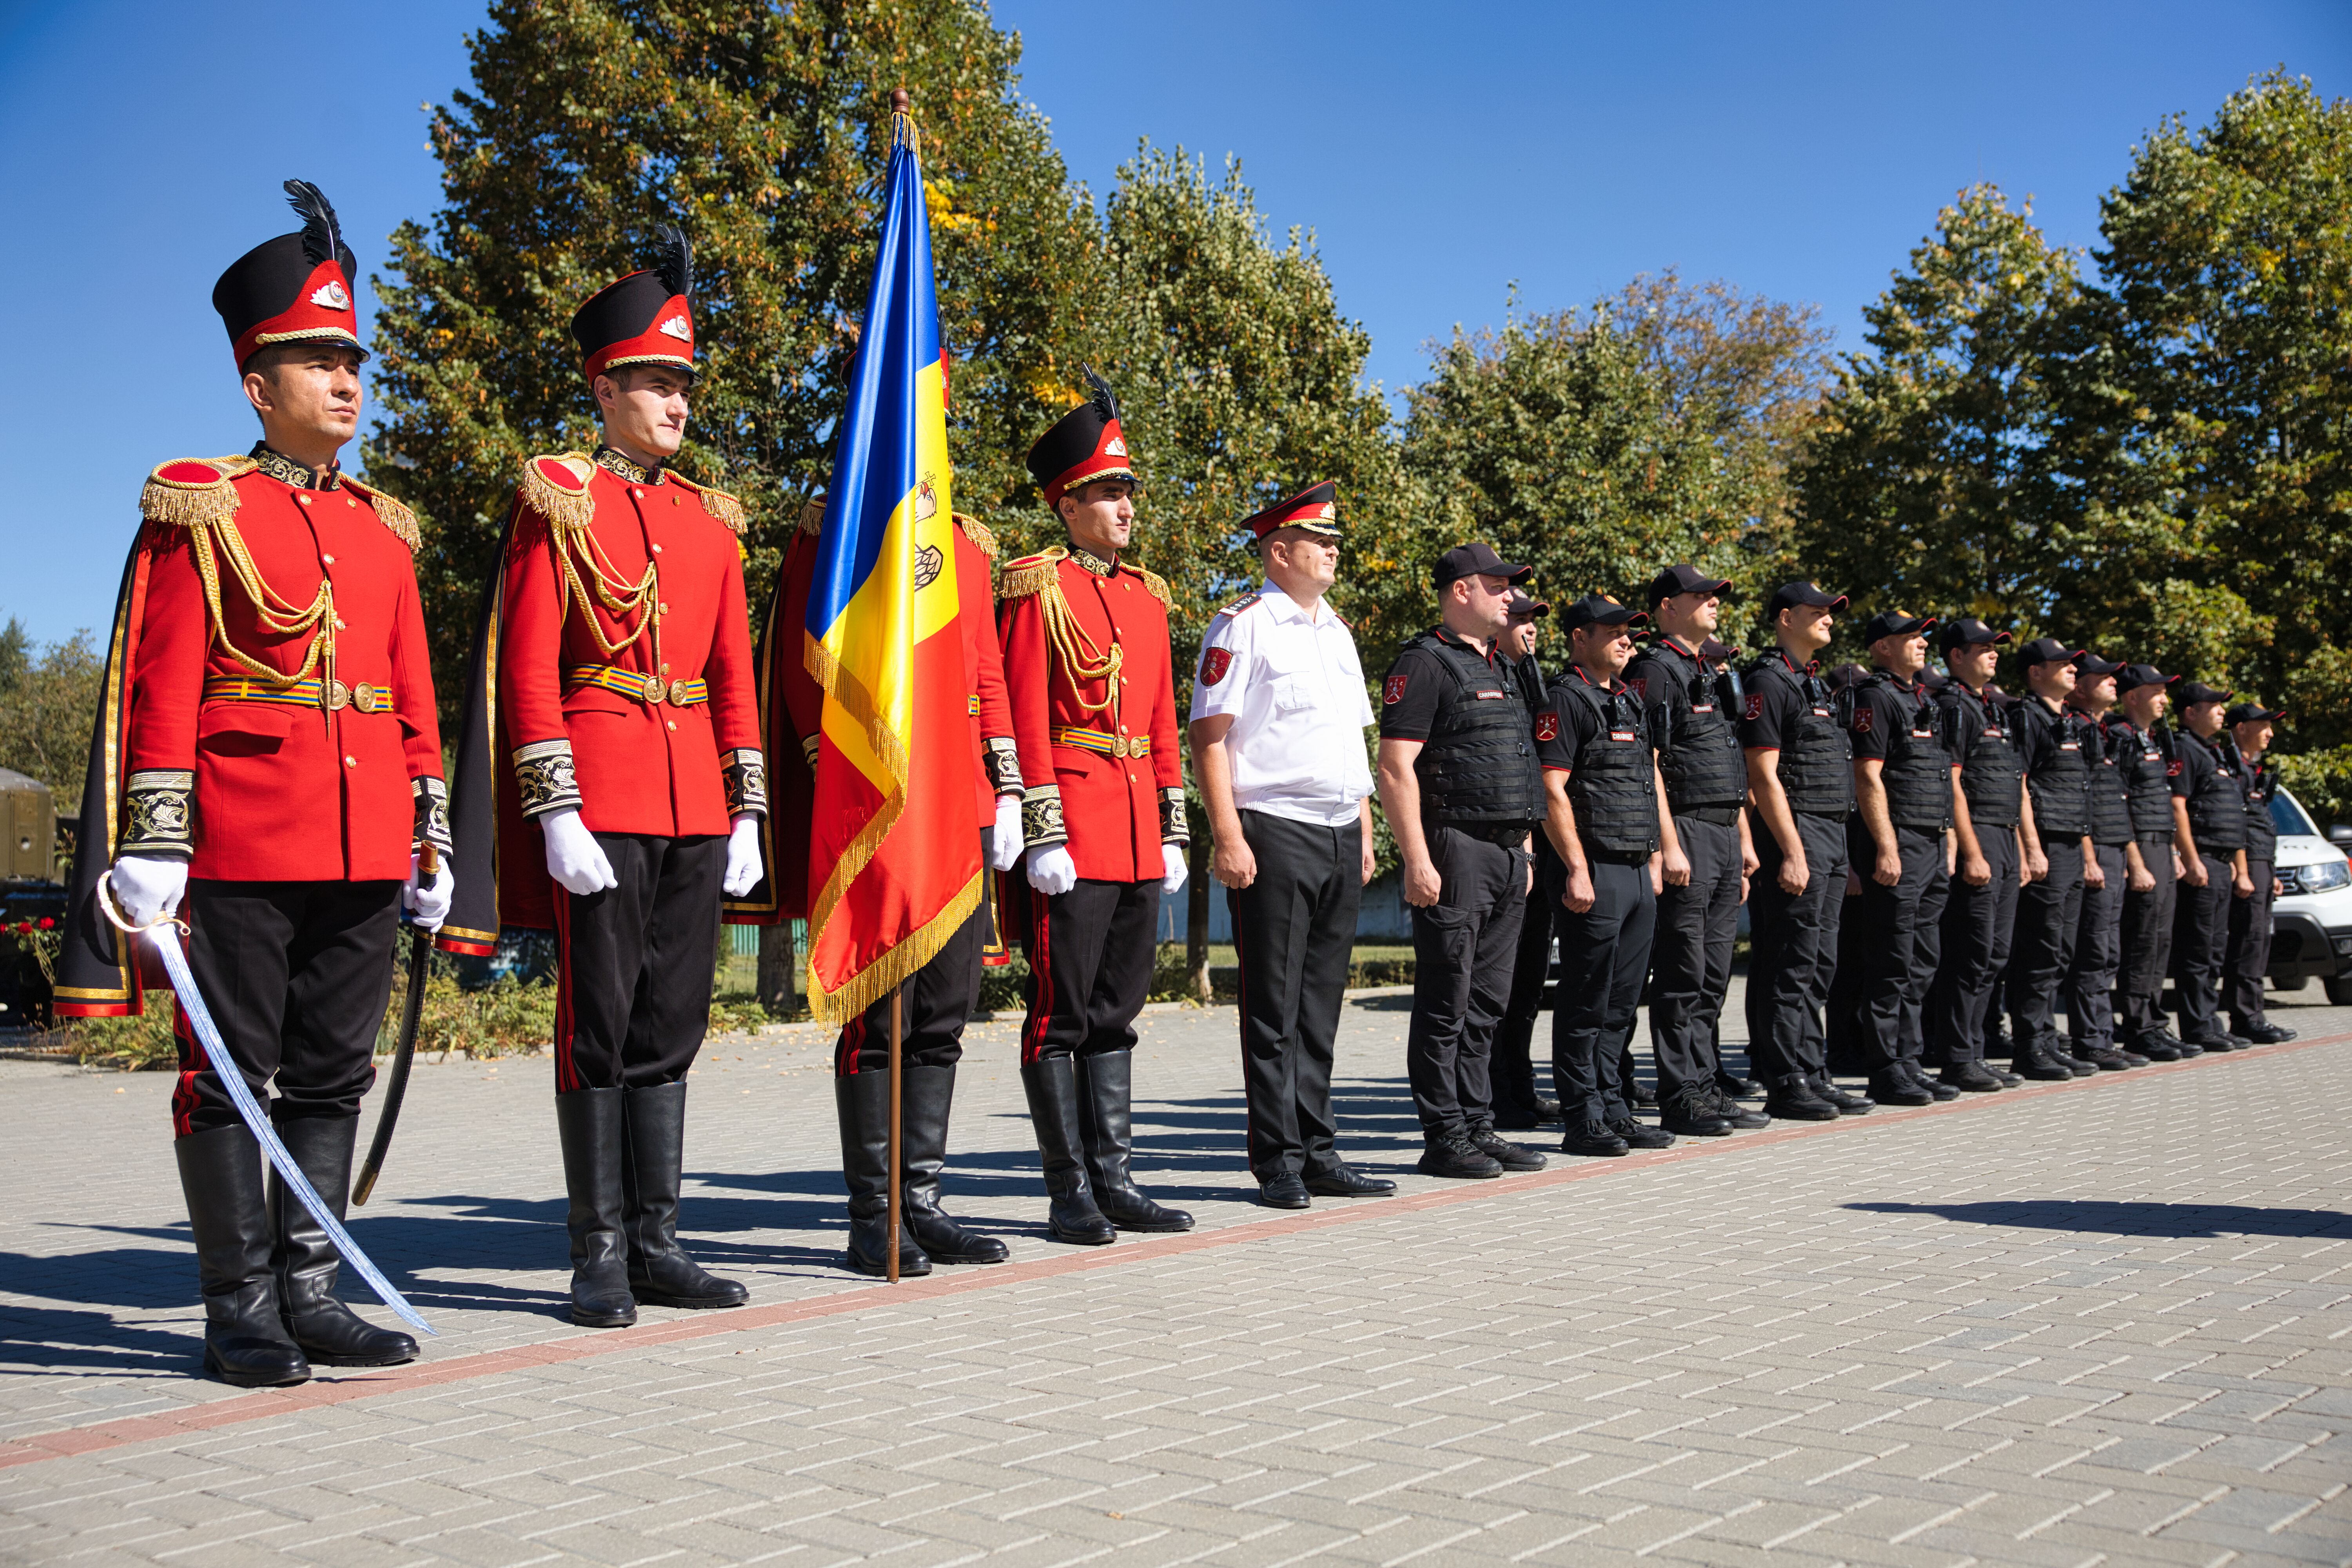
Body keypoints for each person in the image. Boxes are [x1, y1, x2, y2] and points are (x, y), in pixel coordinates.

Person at [54, 181, 448, 1385]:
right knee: (228, 1076)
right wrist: (154, 837)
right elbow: (163, 680)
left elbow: (413, 702)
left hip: (363, 843)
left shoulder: (384, 531)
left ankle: (312, 1293)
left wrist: (428, 838)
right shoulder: (204, 507)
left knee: (334, 1074)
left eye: (352, 361)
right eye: (318, 361)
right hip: (239, 845)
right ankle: (238, 1309)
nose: (346, 381)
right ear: (256, 385)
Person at [447, 225, 765, 1329]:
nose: (678, 403)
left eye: (684, 385)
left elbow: (734, 679)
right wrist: (556, 807)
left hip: (693, 802)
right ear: (605, 389)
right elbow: (530, 665)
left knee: (673, 1022)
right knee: (600, 1024)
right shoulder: (561, 499)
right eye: (657, 383)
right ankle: (597, 1252)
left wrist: (746, 809)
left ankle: (658, 1240)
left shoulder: (710, 522)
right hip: (603, 789)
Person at [762, 494, 1025, 1276]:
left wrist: (1007, 785)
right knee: (879, 1015)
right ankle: (873, 1216)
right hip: (879, 796)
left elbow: (986, 669)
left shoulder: (967, 543)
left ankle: (923, 1201)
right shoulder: (841, 521)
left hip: (961, 797)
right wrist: (839, 775)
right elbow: (805, 657)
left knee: (944, 1012)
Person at [999, 371, 1194, 1243]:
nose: (1125, 507)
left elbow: (1162, 723)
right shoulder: (1036, 587)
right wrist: (1043, 829)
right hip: (1074, 827)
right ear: (1068, 504)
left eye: (1128, 492)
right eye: (1109, 493)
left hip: (1137, 831)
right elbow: (1022, 712)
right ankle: (1068, 1188)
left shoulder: (1147, 597)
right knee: (1062, 1012)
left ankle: (1115, 1177)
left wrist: (1173, 827)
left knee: (1117, 1012)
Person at [1188, 481, 1394, 1207]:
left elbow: (1351, 740)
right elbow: (1209, 737)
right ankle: (1277, 1159)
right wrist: (1228, 835)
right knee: (1273, 1008)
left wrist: (1364, 828)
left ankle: (1319, 1149)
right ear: (1280, 552)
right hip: (1273, 829)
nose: (1334, 550)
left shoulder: (1336, 631)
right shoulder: (1242, 626)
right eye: (1321, 540)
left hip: (1339, 829)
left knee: (1321, 1006)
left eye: (1335, 541)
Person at [1376, 543, 1549, 1179]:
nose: (1510, 597)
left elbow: (1518, 766)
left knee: (1488, 1002)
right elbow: (1395, 767)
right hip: (1455, 849)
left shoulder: (1501, 666)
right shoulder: (1424, 663)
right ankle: (1444, 1134)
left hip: (1506, 854)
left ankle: (1479, 1125)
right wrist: (1417, 859)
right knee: (1447, 999)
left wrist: (1525, 852)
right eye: (1498, 586)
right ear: (1461, 592)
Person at [1537, 596, 1679, 1155]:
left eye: (1631, 633)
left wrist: (1658, 855)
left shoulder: (1627, 698)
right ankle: (1582, 1117)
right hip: (1593, 868)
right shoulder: (1565, 698)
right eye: (1614, 632)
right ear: (1580, 637)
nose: (1627, 641)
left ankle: (1614, 1109)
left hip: (1636, 867)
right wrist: (1575, 867)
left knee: (1622, 1002)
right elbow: (1552, 789)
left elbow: (1647, 779)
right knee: (1586, 1000)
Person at [1628, 566, 1762, 1136]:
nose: (1713, 602)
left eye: (1715, 596)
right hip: (1688, 830)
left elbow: (1731, 763)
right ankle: (1681, 1094)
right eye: (1700, 596)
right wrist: (1669, 844)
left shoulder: (1707, 668)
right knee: (1683, 970)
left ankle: (1707, 1086)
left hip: (1724, 831)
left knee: (1713, 973)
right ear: (1668, 607)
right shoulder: (1655, 670)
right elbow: (1649, 763)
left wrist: (1745, 838)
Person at [1739, 581, 1864, 1122]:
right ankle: (1785, 1079)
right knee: (1789, 961)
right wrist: (1792, 852)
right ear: (1787, 618)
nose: (1829, 620)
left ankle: (1812, 1071)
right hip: (1799, 831)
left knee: (1819, 961)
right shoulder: (1769, 681)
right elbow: (1762, 774)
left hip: (1829, 834)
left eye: (1831, 613)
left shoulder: (1812, 683)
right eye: (1818, 612)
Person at [1844, 613, 1953, 1107]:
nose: (1923, 643)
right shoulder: (1877, 696)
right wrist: (1886, 846)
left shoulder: (1922, 698)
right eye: (1911, 638)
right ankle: (1885, 1068)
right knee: (1891, 959)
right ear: (1883, 647)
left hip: (1931, 841)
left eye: (1923, 636)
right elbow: (1868, 775)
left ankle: (1909, 1062)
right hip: (1900, 841)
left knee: (1922, 960)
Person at [1926, 620, 2027, 1093]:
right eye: (1983, 648)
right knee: (1971, 954)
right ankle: (1956, 1057)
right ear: (1957, 656)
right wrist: (1970, 850)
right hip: (1980, 836)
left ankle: (1976, 1050)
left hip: (2004, 837)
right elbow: (1952, 782)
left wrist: (2022, 847)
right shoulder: (1953, 705)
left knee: (1995, 955)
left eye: (1995, 648)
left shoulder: (1991, 707)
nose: (1994, 654)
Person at [2007, 638, 2108, 1077]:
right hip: (2046, 845)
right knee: (2040, 949)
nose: (2072, 670)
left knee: (2061, 951)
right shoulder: (2027, 717)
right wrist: (2031, 848)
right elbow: (2019, 785)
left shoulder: (2066, 720)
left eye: (2073, 664)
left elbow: (2077, 796)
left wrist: (2086, 854)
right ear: (2036, 672)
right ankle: (2030, 1046)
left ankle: (2048, 1041)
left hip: (2069, 845)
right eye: (2062, 663)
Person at [1489, 590, 1568, 1131]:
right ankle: (1496, 1095)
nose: (1531, 627)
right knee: (1500, 982)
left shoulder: (1530, 679)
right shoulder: (1488, 677)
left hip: (1538, 850)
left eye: (1535, 619)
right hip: (1506, 848)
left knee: (1529, 981)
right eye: (1520, 617)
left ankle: (1520, 1086)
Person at [2063, 653, 2147, 1069]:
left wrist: (2131, 859)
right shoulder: (2075, 729)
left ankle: (2103, 1035)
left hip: (2113, 849)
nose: (2114, 682)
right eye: (2104, 678)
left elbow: (2115, 803)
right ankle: (2089, 1040)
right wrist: (2089, 856)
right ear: (2080, 687)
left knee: (2109, 949)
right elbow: (2077, 798)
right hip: (2093, 851)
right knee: (2093, 950)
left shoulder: (2107, 732)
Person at [2109, 666, 2190, 1059]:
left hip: (2161, 845)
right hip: (2140, 845)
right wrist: (2135, 861)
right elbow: (2119, 801)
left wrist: (2173, 852)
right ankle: (2138, 1026)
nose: (2164, 699)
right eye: (2156, 691)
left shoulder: (2152, 738)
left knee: (2161, 939)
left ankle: (2154, 1020)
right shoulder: (2120, 737)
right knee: (2142, 939)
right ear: (2132, 697)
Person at [2170, 681, 2254, 1051]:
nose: (2222, 711)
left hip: (2219, 862)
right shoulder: (2185, 749)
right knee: (2198, 949)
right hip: (2201, 860)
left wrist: (2234, 863)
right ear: (2191, 713)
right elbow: (2178, 806)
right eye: (2214, 705)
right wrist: (2190, 859)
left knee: (2215, 950)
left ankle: (2210, 1022)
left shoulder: (2212, 752)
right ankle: (2197, 1027)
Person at [2221, 702, 2295, 1045]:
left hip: (2261, 864)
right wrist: (2243, 870)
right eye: (2264, 726)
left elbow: (2258, 824)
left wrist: (2270, 870)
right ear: (2241, 728)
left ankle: (2254, 1014)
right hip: (2248, 865)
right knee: (2248, 942)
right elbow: (2235, 825)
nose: (2270, 733)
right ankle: (2245, 1017)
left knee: (2260, 942)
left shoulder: (2252, 769)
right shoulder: (2231, 768)